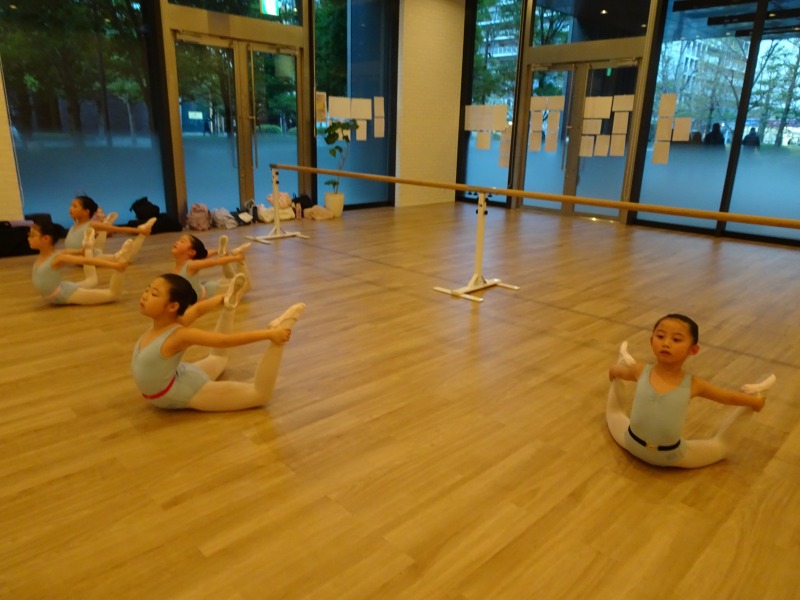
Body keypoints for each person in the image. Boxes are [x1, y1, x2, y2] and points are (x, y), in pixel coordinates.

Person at [606, 314, 775, 469]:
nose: (666, 343)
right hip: (630, 442)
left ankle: (757, 392)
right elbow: (618, 373)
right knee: (614, 412)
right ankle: (622, 357)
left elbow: (727, 397)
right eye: (660, 336)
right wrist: (614, 371)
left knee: (722, 446)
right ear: (651, 341)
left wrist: (754, 402)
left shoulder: (694, 384)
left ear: (693, 350)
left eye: (676, 339)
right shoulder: (639, 370)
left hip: (670, 456)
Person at [131, 273, 305, 411]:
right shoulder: (164, 325)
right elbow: (198, 310)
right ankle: (230, 308)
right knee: (218, 359)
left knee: (259, 395)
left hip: (177, 392)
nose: (145, 296)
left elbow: (224, 341)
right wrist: (223, 298)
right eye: (147, 290)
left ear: (172, 307)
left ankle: (280, 330)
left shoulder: (179, 335)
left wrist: (269, 334)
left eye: (153, 294)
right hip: (178, 377)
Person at [28, 218, 133, 306]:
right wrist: (82, 251)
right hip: (61, 289)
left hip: (64, 294)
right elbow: (69, 251)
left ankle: (121, 261)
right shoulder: (51, 255)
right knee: (91, 281)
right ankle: (88, 246)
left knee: (113, 295)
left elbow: (86, 260)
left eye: (32, 236)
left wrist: (115, 265)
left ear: (46, 238)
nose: (29, 238)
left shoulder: (58, 258)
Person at [65, 195, 156, 288]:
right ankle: (107, 223)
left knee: (124, 258)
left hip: (93, 256)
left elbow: (118, 229)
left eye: (74, 206)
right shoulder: (75, 225)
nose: (70, 208)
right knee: (97, 242)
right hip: (85, 256)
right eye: (71, 206)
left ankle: (141, 233)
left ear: (86, 212)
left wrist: (140, 231)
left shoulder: (91, 224)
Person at [172, 233, 252, 300]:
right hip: (206, 288)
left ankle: (240, 260)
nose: (177, 242)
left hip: (210, 292)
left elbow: (215, 262)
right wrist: (217, 250)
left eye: (182, 242)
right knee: (233, 279)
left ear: (191, 252)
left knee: (247, 286)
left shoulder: (191, 265)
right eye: (179, 240)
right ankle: (226, 254)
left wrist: (236, 258)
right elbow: (204, 255)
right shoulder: (184, 263)